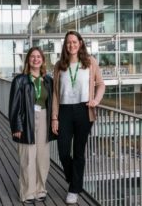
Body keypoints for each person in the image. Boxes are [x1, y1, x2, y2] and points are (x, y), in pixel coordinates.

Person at [51, 30, 105, 204]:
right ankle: (74, 180)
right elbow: (55, 94)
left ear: (80, 43)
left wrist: (96, 100)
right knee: (63, 150)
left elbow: (101, 84)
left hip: (84, 110)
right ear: (65, 45)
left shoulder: (90, 62)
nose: (71, 45)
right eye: (68, 42)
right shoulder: (60, 65)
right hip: (65, 111)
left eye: (74, 42)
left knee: (79, 152)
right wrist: (54, 117)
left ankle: (74, 190)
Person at [8, 47, 57, 204]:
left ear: (42, 59)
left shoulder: (48, 80)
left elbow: (53, 103)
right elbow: (14, 105)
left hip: (44, 118)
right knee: (28, 157)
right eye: (32, 57)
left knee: (42, 157)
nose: (36, 59)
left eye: (38, 56)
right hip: (26, 119)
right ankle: (27, 192)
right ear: (28, 60)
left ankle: (40, 189)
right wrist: (16, 126)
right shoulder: (20, 80)